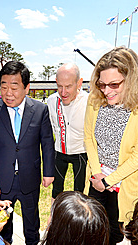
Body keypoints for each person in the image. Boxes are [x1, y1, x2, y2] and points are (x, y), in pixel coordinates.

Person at [84, 47, 138, 245]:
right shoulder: (95, 99)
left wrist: (108, 181)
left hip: (123, 184)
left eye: (114, 84)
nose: (106, 91)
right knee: (91, 227)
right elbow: (89, 139)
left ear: (133, 79)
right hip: (96, 177)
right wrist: (97, 174)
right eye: (101, 84)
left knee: (113, 233)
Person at [0, 61, 55, 245]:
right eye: (3, 87)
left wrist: (49, 172)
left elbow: (47, 142)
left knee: (31, 216)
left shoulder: (39, 110)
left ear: (26, 88)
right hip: (1, 178)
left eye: (14, 87)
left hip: (29, 175)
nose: (8, 93)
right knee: (2, 218)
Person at [47, 63, 89, 202]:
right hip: (59, 151)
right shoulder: (52, 101)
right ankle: (54, 219)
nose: (63, 92)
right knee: (56, 190)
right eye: (60, 86)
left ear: (79, 83)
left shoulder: (89, 102)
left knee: (80, 192)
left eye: (68, 86)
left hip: (81, 152)